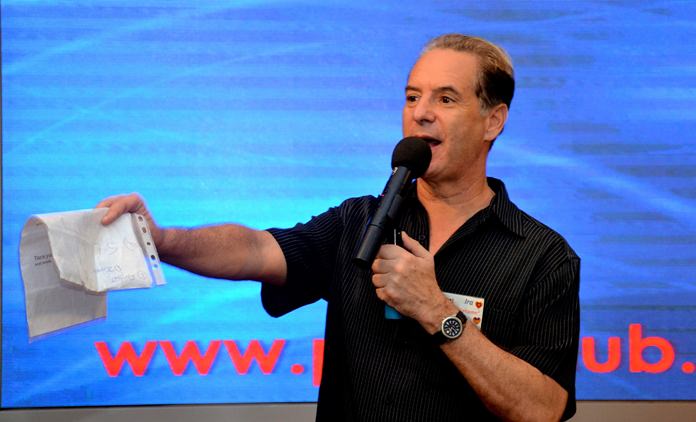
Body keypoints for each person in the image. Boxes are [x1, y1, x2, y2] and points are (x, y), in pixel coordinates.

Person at [97, 34, 580, 421]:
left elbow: (542, 409)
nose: (420, 112)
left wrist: (438, 312)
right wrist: (160, 240)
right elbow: (255, 250)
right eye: (412, 97)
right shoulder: (360, 221)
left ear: (493, 121)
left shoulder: (542, 256)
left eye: (445, 98)